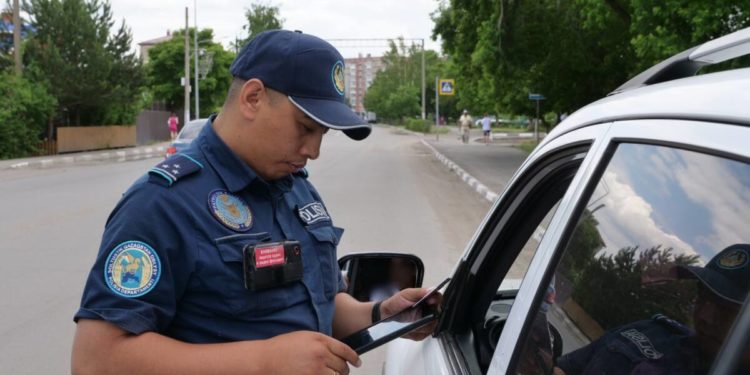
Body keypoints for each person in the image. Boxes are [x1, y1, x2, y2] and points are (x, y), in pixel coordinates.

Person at [71, 30, 439, 375]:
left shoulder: (294, 187)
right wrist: (264, 361)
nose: (314, 150)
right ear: (252, 98)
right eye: (305, 128)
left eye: (322, 134)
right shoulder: (162, 204)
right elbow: (95, 359)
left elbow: (319, 303)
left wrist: (380, 314)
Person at [553, 244, 750, 375]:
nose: (705, 316)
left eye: (727, 309)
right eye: (703, 298)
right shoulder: (652, 331)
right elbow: (566, 369)